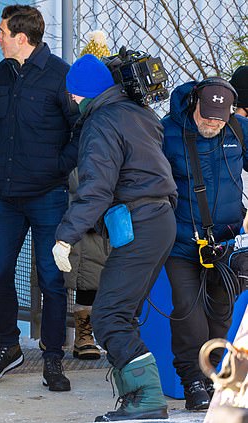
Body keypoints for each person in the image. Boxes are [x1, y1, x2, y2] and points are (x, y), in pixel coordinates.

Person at [53, 54, 177, 421]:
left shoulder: (102, 123)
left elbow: (96, 189)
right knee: (121, 312)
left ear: (85, 93)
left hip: (141, 222)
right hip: (158, 221)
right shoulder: (140, 113)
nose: (72, 101)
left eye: (74, 95)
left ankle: (148, 400)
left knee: (108, 316)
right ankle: (137, 399)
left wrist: (65, 237)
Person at [0, 4, 78, 391]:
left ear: (22, 37)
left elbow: (80, 129)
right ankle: (8, 347)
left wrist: (57, 166)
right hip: (5, 195)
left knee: (52, 279)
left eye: (2, 31)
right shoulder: (2, 72)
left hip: (48, 196)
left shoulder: (59, 75)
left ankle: (53, 359)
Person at [161, 76, 248, 411]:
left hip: (226, 242)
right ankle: (193, 382)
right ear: (194, 105)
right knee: (187, 312)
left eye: (219, 119)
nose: (212, 124)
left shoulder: (237, 130)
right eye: (206, 117)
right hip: (182, 241)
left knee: (223, 314)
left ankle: (220, 379)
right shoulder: (167, 132)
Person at [64, 29, 112, 362]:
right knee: (77, 269)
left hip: (99, 195)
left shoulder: (110, 115)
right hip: (77, 192)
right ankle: (74, 329)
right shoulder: (78, 114)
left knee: (97, 268)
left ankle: (90, 329)